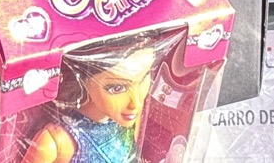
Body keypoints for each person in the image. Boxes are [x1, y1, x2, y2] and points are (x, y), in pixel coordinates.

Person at [19, 34, 171, 163]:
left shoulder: (128, 118)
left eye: (143, 77)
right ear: (82, 79)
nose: (135, 103)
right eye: (116, 88)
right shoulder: (58, 142)